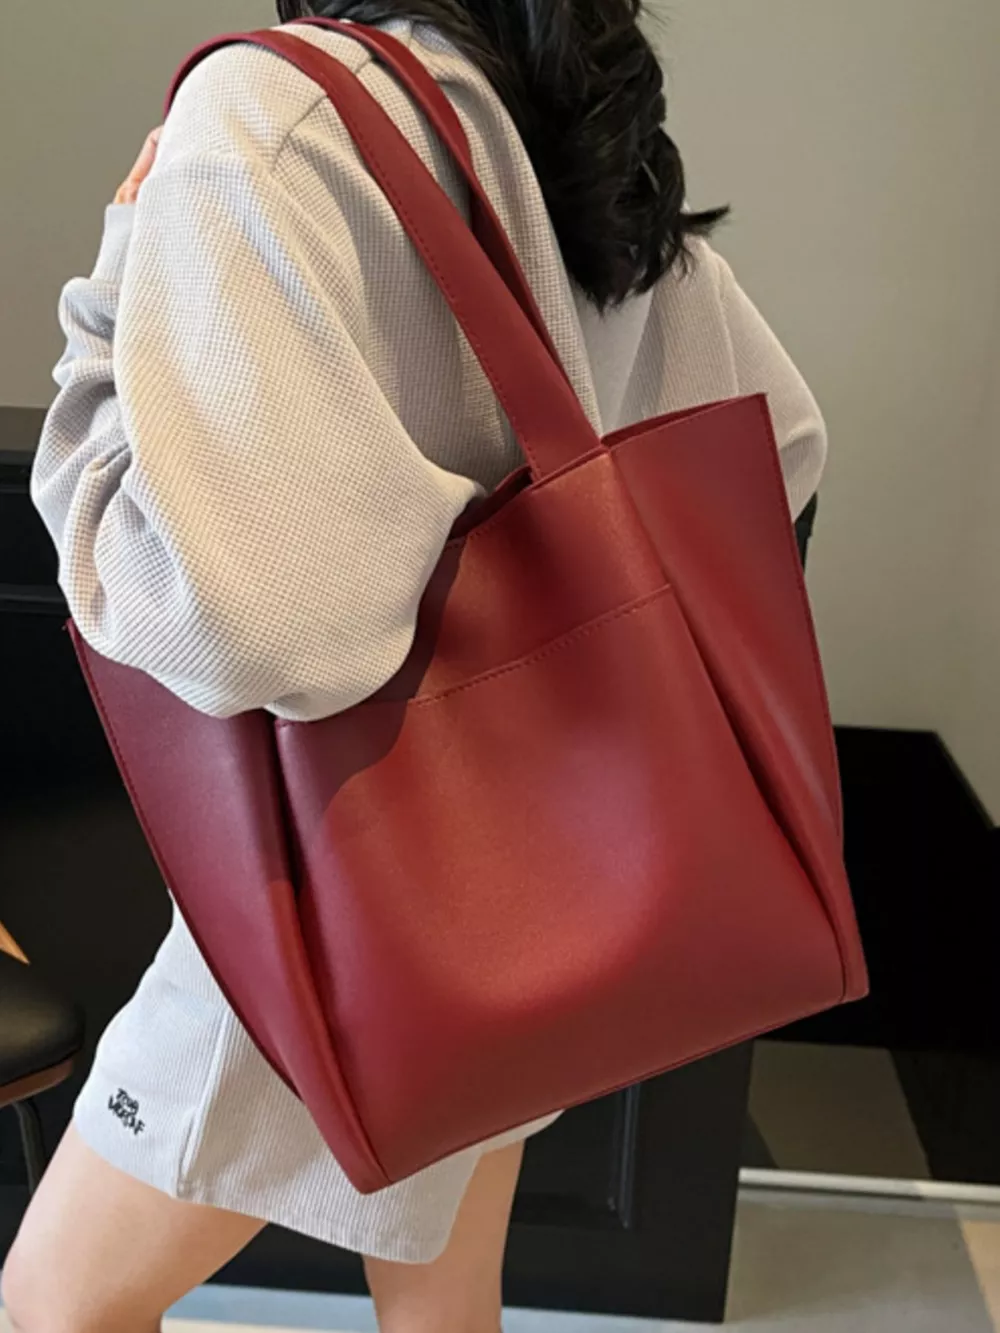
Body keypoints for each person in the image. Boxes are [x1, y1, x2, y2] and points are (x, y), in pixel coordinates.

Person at [3, 2, 828, 1330]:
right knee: (441, 1297)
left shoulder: (266, 116)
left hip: (348, 893)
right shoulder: (561, 113)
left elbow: (264, 636)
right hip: (561, 871)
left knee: (53, 1301)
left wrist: (109, 308)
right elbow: (780, 444)